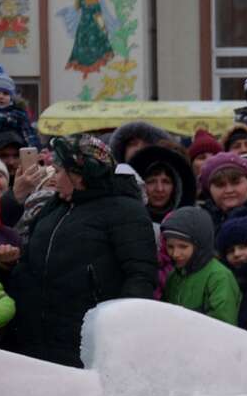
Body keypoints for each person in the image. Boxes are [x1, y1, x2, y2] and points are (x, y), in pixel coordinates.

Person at [10, 136, 157, 366]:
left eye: (59, 171)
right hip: (38, 337)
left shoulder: (125, 210)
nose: (53, 178)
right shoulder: (55, 206)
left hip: (89, 338)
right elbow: (29, 260)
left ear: (80, 175)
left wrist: (121, 330)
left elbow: (140, 275)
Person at [161, 206, 241, 325]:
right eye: (170, 247)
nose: (175, 254)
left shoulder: (219, 277)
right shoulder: (174, 275)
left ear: (200, 245)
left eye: (183, 246)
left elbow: (223, 325)